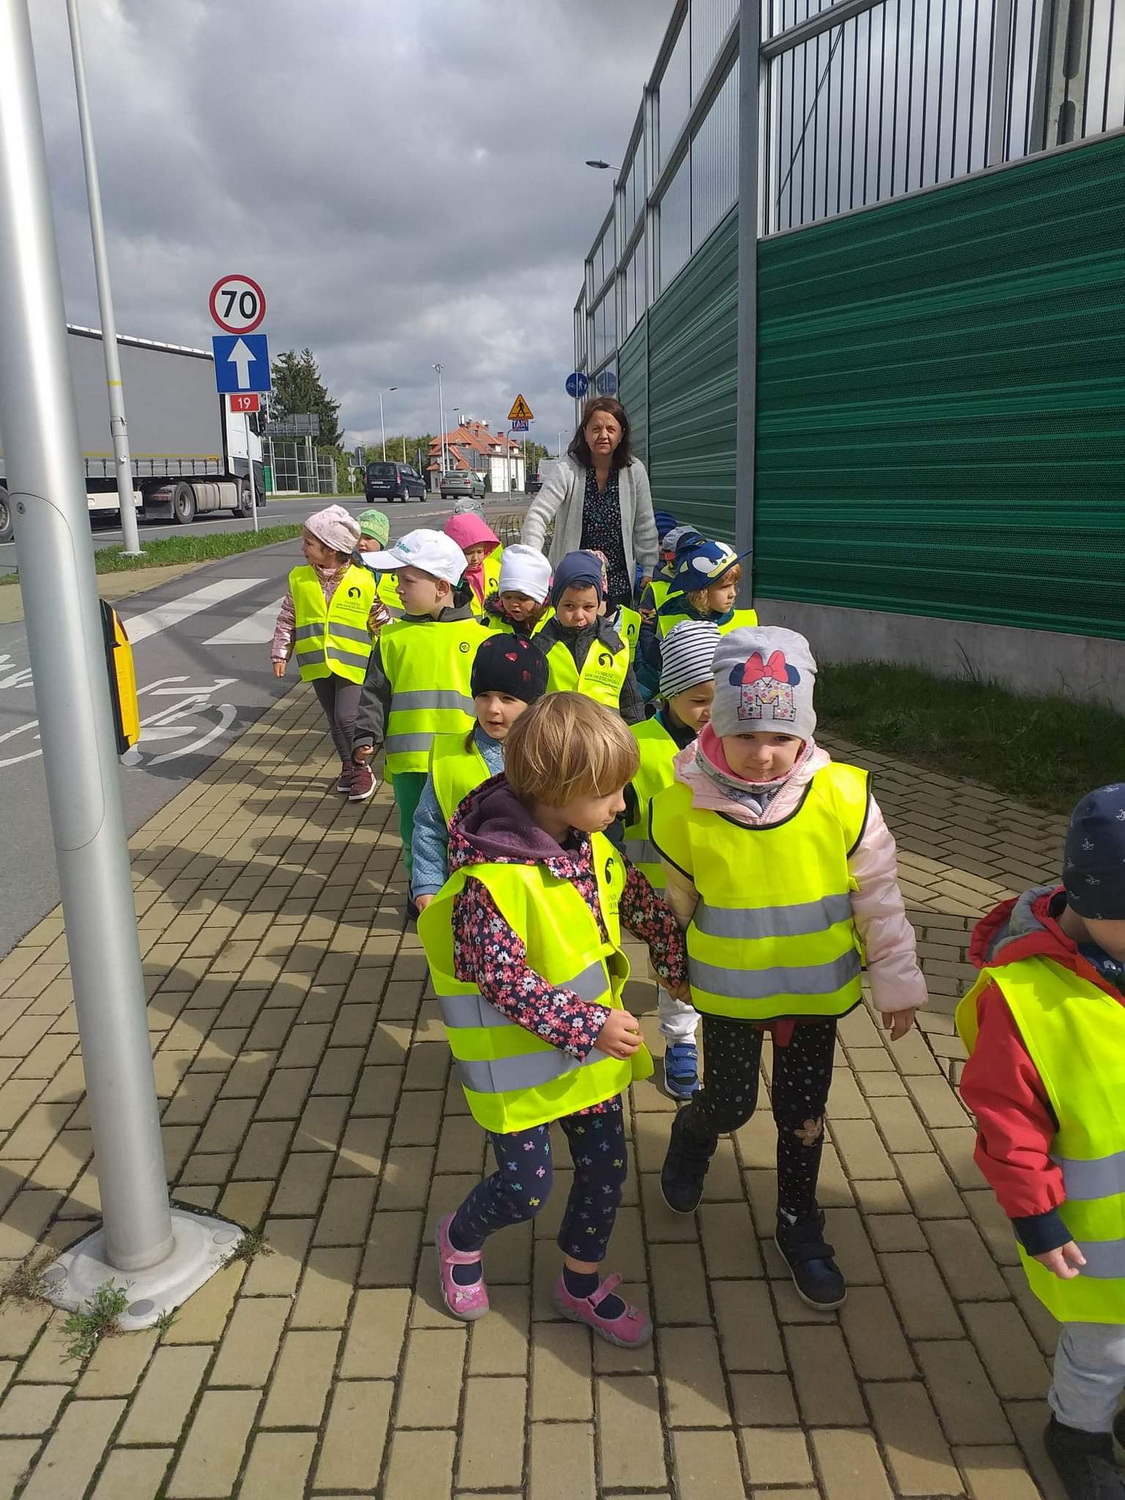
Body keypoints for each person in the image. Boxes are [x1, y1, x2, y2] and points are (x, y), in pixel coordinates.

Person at [651, 627, 926, 1309]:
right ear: (716, 722)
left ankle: (798, 1222)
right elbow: (675, 905)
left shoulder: (844, 797)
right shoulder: (682, 804)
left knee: (803, 1115)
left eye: (781, 735)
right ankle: (693, 1132)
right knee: (730, 1103)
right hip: (728, 993)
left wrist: (895, 981)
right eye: (745, 734)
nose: (763, 752)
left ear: (806, 730)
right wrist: (670, 967)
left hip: (813, 993)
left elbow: (878, 896)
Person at [417, 692, 688, 1342]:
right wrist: (589, 1025)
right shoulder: (489, 882)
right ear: (554, 791)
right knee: (524, 1190)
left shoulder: (589, 844)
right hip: (521, 1079)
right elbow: (500, 979)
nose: (621, 805)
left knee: (605, 1173)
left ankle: (579, 1284)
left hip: (587, 1065)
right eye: (607, 792)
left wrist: (672, 954)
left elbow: (633, 899)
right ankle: (459, 1238)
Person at [957, 786, 1125, 1500]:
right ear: (1089, 899)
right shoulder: (1025, 995)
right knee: (1103, 1346)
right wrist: (1034, 1214)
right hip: (1100, 1238)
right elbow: (1007, 1119)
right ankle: (1078, 1432)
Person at [623, 621, 720, 1100]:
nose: (710, 712)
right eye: (699, 699)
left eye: (720, 698)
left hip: (709, 886)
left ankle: (686, 1037)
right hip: (644, 887)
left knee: (689, 959)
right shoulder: (636, 745)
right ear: (669, 692)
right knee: (645, 956)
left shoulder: (734, 745)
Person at [350, 530, 478, 890]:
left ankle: (464, 893)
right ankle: (421, 890)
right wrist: (366, 734)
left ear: (441, 587)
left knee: (463, 829)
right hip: (410, 763)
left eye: (407, 581)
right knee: (415, 832)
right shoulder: (392, 639)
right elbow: (375, 694)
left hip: (464, 761)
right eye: (397, 580)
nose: (398, 589)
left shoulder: (481, 637)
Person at [411, 635, 548, 911]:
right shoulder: (448, 756)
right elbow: (429, 825)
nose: (493, 709)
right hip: (469, 900)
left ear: (532, 704)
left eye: (507, 698)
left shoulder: (550, 755)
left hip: (538, 896)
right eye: (483, 696)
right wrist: (428, 884)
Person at [271, 505, 390, 801]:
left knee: (347, 716)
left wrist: (394, 652)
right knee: (334, 719)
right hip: (316, 662)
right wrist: (281, 652)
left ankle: (362, 769)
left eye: (309, 544)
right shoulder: (299, 579)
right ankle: (348, 766)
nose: (303, 549)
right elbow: (287, 617)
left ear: (331, 548)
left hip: (353, 662)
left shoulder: (362, 580)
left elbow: (380, 619)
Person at [521, 397, 657, 610]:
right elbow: (538, 515)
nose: (603, 435)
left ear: (621, 434)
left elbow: (645, 523)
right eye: (596, 429)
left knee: (617, 631)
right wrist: (531, 562)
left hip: (619, 581)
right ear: (585, 433)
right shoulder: (567, 469)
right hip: (575, 583)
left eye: (611, 429)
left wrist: (649, 568)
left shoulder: (634, 471)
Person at [535, 551, 645, 724]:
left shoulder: (615, 646)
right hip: (555, 736)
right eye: (569, 606)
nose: (579, 615)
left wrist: (638, 735)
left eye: (588, 607)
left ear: (599, 603)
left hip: (605, 738)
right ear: (556, 603)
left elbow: (631, 704)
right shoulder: (540, 647)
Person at [655, 538, 758, 638]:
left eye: (734, 585)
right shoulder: (671, 625)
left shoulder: (747, 621)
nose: (733, 594)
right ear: (701, 592)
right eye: (724, 587)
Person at [481, 544, 553, 637]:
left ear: (539, 599)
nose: (513, 604)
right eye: (507, 597)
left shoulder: (554, 621)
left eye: (522, 599)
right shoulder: (491, 622)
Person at [444, 512, 502, 616]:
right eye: (468, 553)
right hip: (465, 622)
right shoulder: (448, 575)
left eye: (480, 551)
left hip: (493, 622)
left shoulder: (496, 567)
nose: (475, 558)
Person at [356, 508, 402, 613]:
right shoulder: (347, 565)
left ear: (381, 542)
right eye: (358, 537)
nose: (361, 542)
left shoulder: (392, 568)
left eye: (368, 538)